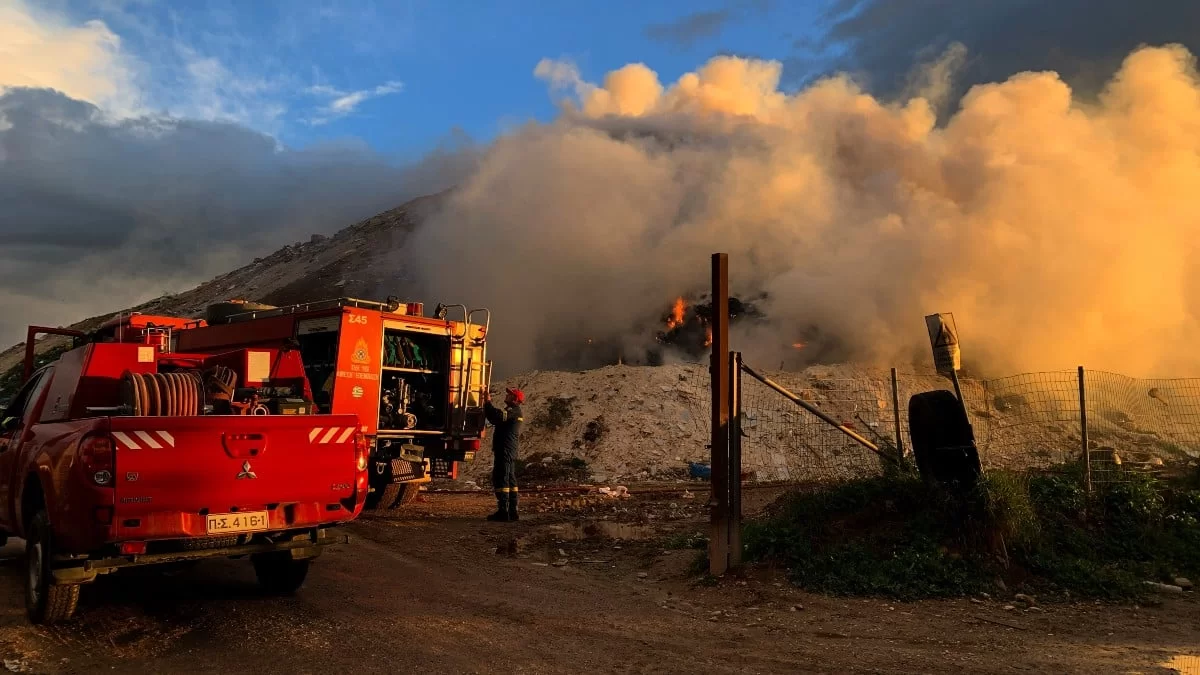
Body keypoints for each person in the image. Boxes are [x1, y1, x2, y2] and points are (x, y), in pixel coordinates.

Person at [484, 387, 525, 522]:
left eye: (509, 394)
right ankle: (512, 512)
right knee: (510, 479)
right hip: (508, 449)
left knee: (502, 478)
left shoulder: (512, 412)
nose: (506, 395)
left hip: (505, 450)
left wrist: (487, 402)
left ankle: (503, 512)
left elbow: (496, 416)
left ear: (514, 399)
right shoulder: (514, 411)